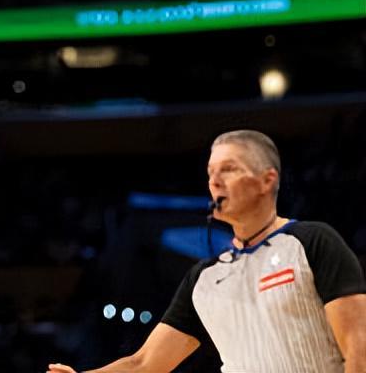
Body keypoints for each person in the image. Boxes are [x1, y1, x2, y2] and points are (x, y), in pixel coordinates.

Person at [47, 129, 366, 373]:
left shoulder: (313, 242)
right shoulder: (203, 278)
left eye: (229, 169)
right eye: (211, 172)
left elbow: (358, 346)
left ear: (266, 181)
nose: (215, 182)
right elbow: (144, 363)